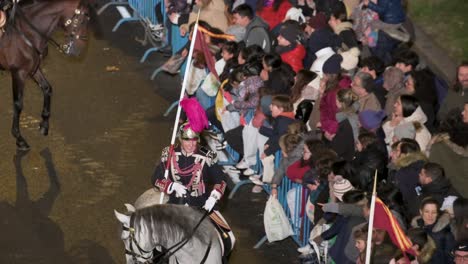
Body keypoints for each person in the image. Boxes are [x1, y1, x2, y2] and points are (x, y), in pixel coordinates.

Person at [152, 99, 227, 211]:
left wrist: (214, 196)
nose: (191, 144)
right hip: (175, 205)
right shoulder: (169, 153)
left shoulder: (207, 156)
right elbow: (156, 179)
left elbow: (221, 180)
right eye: (187, 140)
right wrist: (172, 186)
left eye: (194, 140)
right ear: (180, 139)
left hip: (202, 204)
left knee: (225, 229)